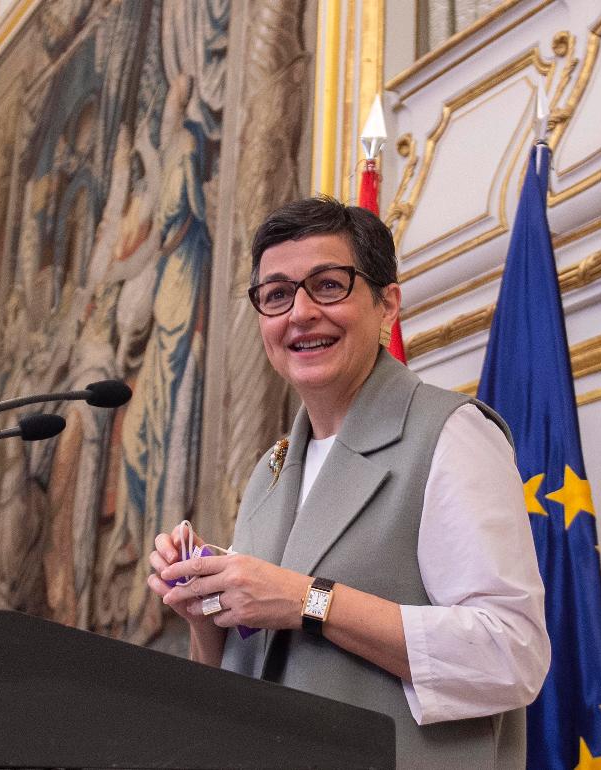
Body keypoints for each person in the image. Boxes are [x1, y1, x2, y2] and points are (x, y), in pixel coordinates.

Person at [147, 196, 549, 768]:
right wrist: (205, 611)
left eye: (329, 286)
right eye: (277, 295)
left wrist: (309, 601)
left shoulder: (451, 433)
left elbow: (511, 654)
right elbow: (240, 683)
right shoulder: (270, 471)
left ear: (388, 305)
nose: (300, 313)